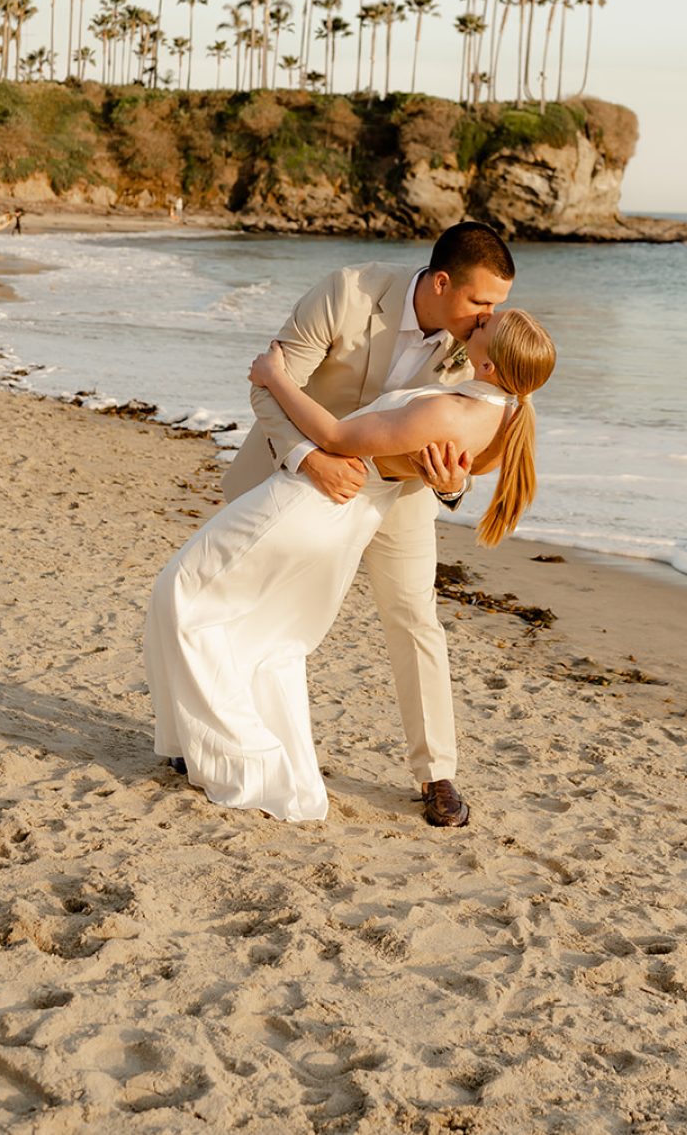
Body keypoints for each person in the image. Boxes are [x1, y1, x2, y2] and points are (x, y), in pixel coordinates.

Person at [144, 307, 556, 823]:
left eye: (488, 326)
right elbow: (463, 460)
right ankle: (207, 748)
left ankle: (245, 757)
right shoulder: (507, 413)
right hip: (340, 509)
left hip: (310, 501)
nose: (483, 317)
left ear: (494, 365)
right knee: (267, 637)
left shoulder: (454, 411)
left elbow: (338, 438)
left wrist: (275, 377)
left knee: (180, 592)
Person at [219, 222, 516, 826]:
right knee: (236, 604)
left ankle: (437, 773)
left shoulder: (477, 348)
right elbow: (269, 385)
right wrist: (311, 459)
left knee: (414, 617)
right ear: (441, 283)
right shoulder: (347, 294)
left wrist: (454, 484)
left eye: (497, 307)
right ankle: (215, 737)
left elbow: (475, 444)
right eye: (482, 302)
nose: (490, 319)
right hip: (290, 465)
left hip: (400, 493)